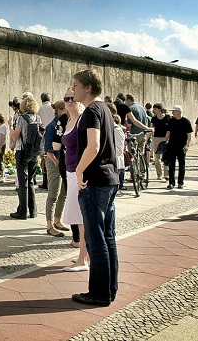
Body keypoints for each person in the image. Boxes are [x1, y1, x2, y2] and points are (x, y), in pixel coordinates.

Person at [72, 69, 119, 307]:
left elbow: (94, 146)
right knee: (107, 237)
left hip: (95, 181)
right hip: (108, 179)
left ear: (87, 88)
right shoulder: (105, 109)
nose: (73, 89)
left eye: (76, 85)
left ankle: (99, 293)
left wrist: (79, 171)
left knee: (95, 239)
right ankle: (109, 289)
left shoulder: (91, 111)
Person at [60, 87, 88, 272]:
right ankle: (84, 254)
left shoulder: (82, 120)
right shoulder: (70, 119)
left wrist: (80, 173)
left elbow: (89, 147)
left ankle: (83, 259)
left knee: (82, 217)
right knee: (78, 217)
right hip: (70, 171)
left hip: (79, 173)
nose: (69, 101)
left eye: (72, 98)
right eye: (66, 98)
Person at [10, 95, 40, 219]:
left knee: (23, 183)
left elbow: (15, 136)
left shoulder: (21, 118)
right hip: (34, 151)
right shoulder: (37, 117)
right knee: (31, 181)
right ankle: (33, 211)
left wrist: (10, 126)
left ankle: (22, 211)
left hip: (22, 151)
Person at [44, 100, 68, 237]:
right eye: (65, 109)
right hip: (54, 161)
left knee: (63, 193)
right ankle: (49, 225)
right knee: (53, 193)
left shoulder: (65, 124)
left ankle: (57, 219)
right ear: (60, 111)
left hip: (63, 162)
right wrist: (57, 163)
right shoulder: (52, 126)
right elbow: (49, 150)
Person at [164, 105, 193, 189]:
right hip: (172, 145)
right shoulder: (171, 121)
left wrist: (187, 145)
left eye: (174, 111)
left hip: (182, 145)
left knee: (181, 165)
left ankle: (180, 182)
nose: (172, 113)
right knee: (171, 165)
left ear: (179, 111)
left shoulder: (186, 121)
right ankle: (171, 182)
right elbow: (168, 132)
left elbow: (189, 135)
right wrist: (165, 141)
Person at [149, 104, 170, 181]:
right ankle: (159, 174)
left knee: (166, 156)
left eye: (155, 109)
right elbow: (152, 128)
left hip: (165, 138)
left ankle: (166, 174)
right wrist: (149, 136)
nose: (154, 111)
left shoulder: (167, 117)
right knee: (157, 157)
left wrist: (168, 137)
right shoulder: (154, 118)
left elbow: (170, 128)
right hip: (156, 138)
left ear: (159, 109)